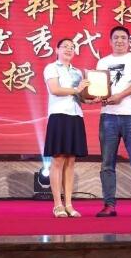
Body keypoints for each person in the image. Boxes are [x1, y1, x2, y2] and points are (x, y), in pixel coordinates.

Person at [96, 26, 131, 218]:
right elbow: (99, 88)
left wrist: (120, 95)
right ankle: (109, 205)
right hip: (108, 116)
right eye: (116, 38)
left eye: (123, 38)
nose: (119, 41)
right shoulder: (103, 62)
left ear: (128, 42)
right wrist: (95, 96)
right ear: (110, 41)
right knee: (107, 163)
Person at [43, 38, 94, 218]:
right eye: (65, 46)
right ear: (56, 49)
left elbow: (80, 96)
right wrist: (77, 89)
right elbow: (55, 89)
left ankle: (69, 204)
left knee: (71, 161)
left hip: (76, 116)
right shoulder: (51, 68)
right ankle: (57, 205)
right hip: (59, 116)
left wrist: (92, 98)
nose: (69, 49)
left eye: (72, 47)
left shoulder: (78, 72)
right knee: (58, 160)